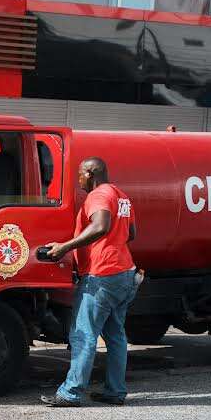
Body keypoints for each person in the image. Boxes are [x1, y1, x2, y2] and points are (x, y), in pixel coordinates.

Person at [40, 157, 137, 407]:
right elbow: (131, 233)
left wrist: (65, 247)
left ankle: (71, 392)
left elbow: (101, 226)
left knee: (84, 334)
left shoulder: (98, 195)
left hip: (102, 273)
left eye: (80, 175)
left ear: (91, 173)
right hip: (124, 271)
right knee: (115, 335)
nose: (78, 180)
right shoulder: (121, 195)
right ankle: (115, 391)